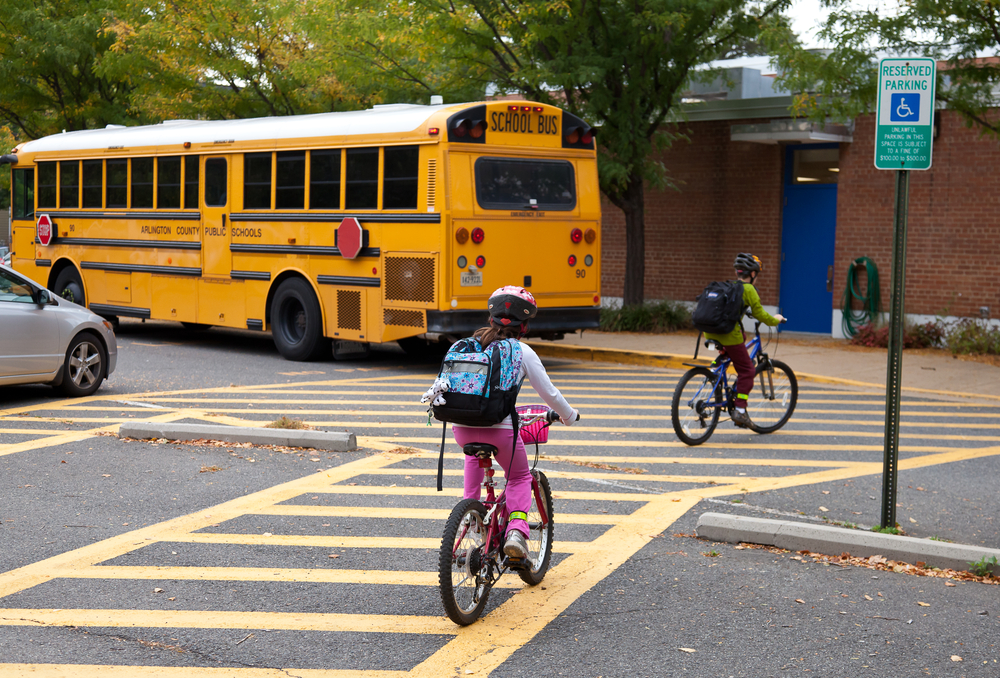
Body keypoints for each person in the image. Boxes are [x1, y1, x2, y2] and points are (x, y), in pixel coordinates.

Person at [452, 286, 578, 560]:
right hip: (500, 429)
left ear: (491, 319)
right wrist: (569, 416)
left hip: (460, 427)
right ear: (525, 326)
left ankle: (470, 513)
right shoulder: (522, 351)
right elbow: (550, 394)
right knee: (519, 476)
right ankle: (518, 532)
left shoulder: (471, 344)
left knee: (473, 458)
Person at [703, 253, 784, 429]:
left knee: (741, 337)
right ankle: (740, 409)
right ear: (753, 274)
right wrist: (775, 319)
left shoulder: (729, 287)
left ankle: (723, 358)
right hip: (728, 335)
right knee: (747, 370)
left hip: (710, 333)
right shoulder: (749, 290)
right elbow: (760, 314)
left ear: (737, 273)